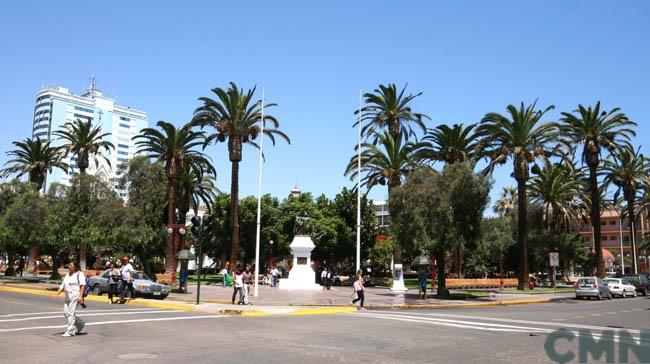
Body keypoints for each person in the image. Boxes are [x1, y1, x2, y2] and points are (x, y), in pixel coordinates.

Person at [53, 261, 86, 337]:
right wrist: (56, 294)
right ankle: (80, 324)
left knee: (71, 314)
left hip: (75, 296)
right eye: (69, 265)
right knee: (66, 313)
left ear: (75, 267)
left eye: (71, 265)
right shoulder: (67, 275)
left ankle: (70, 331)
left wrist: (80, 296)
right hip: (67, 297)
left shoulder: (79, 274)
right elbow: (62, 286)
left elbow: (82, 285)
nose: (69, 267)